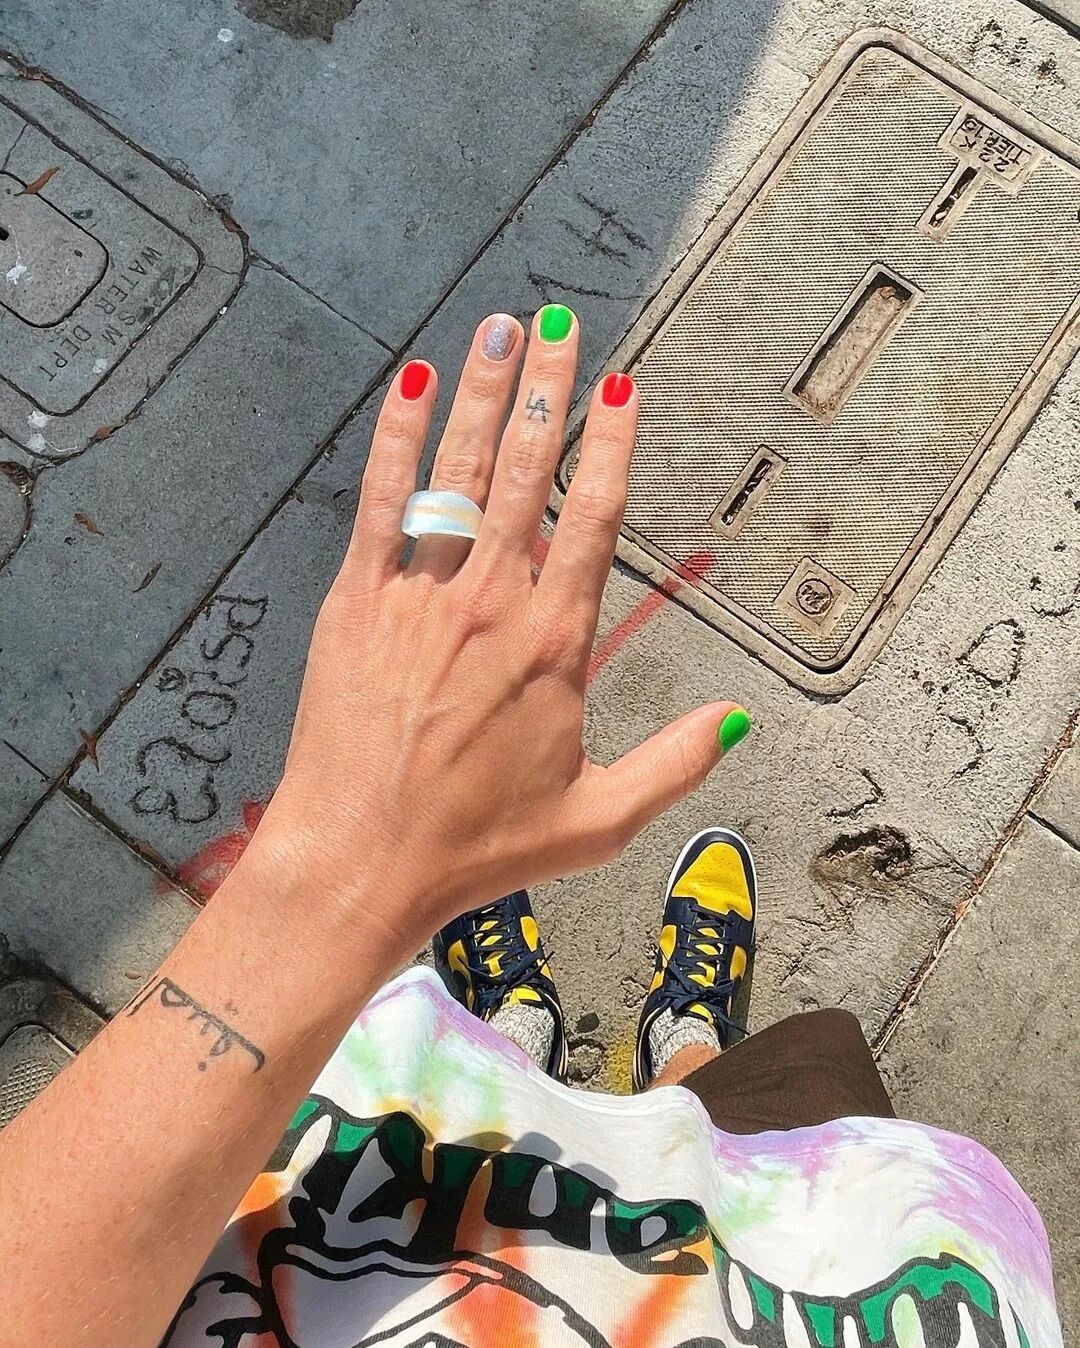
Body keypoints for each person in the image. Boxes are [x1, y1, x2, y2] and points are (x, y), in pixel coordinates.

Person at [0, 308, 1060, 1348]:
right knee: (726, 1128)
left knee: (460, 1106)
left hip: (342, 1246)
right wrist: (355, 874)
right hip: (817, 1261)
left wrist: (347, 868)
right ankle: (686, 1046)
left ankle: (511, 1029)